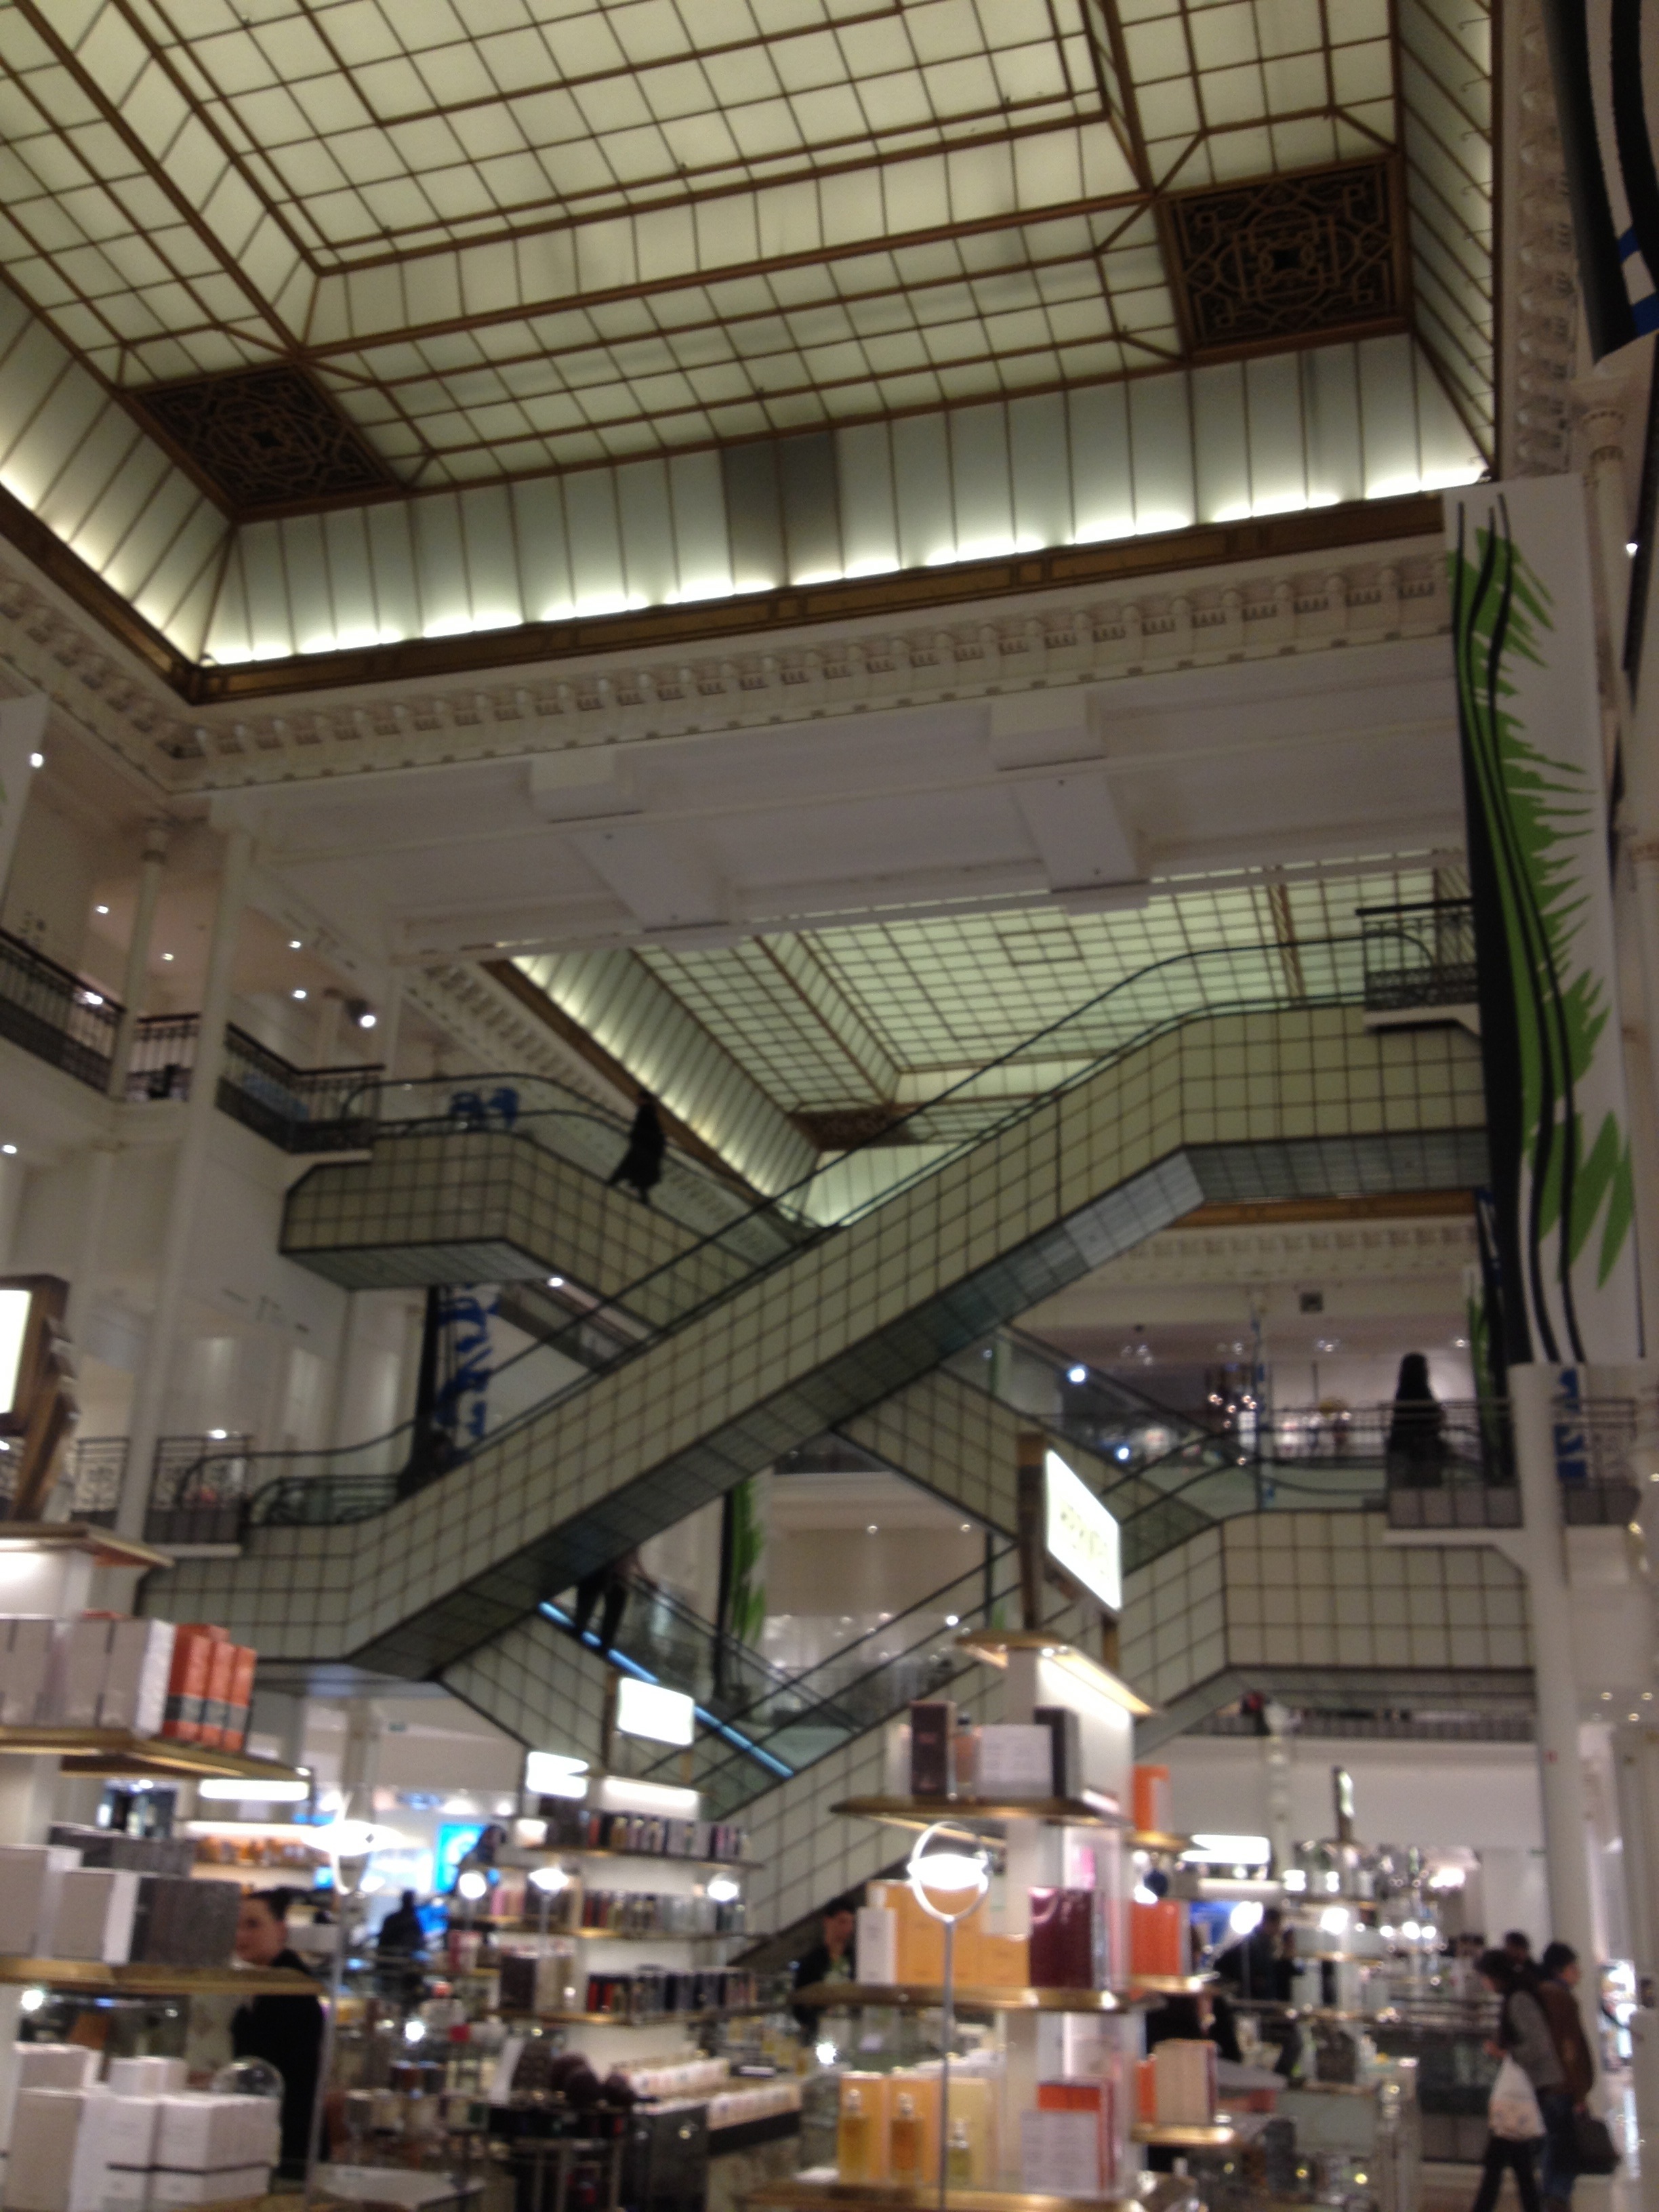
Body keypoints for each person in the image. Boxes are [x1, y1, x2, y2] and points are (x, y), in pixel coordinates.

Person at [230, 1889, 324, 2178]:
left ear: (281, 1930)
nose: (241, 1935)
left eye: (253, 1925)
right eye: (237, 1925)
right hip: (274, 2130)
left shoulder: (290, 1986)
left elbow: (274, 2067)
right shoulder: (269, 1980)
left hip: (290, 2140)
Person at [1471, 1947, 1562, 2212]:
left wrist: (1505, 2053)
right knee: (1516, 2159)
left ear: (1495, 1976)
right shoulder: (1519, 1995)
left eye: (1485, 1977)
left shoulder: (1518, 1999)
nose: (1484, 1983)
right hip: (1529, 2088)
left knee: (1499, 2156)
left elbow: (1539, 2044)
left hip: (1527, 2088)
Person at [1535, 1942, 1596, 2211]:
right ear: (1559, 1970)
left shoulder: (1539, 1994)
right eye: (1573, 1967)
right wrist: (1579, 2092)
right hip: (1562, 2085)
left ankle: (1549, 2193)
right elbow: (1570, 2049)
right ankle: (1557, 2194)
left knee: (1552, 2142)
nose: (1578, 1972)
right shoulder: (1562, 1998)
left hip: (1545, 2083)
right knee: (1565, 2145)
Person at [1214, 1905, 1302, 2078]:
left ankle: (1276, 2078)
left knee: (1291, 2041)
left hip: (1261, 2009)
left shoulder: (1260, 1945)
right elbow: (1224, 1965)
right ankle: (1278, 2078)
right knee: (1292, 2041)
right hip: (1256, 2011)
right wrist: (1246, 1985)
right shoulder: (1253, 1946)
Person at [792, 1894, 858, 2032]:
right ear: (828, 1922)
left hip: (850, 2028)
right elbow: (798, 2003)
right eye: (842, 1922)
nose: (848, 1928)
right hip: (820, 2029)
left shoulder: (855, 1960)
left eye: (851, 1922)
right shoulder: (811, 1962)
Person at [1386, 1352, 1447, 1486]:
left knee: (1404, 1485)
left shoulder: (1402, 1391)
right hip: (1423, 1446)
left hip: (1401, 1444)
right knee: (1426, 1484)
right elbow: (1431, 1416)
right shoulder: (1423, 1391)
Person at [608, 1091, 666, 1205]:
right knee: (638, 1173)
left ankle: (610, 1184)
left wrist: (635, 1138)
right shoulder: (650, 1113)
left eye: (638, 1099)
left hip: (641, 1148)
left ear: (643, 1099)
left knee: (626, 1168)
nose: (637, 1101)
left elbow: (641, 1130)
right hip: (647, 1151)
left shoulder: (645, 1112)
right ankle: (644, 1199)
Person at [375, 1888, 427, 2005]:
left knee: (396, 2000)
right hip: (393, 1969)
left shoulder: (410, 1921)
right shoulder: (408, 1921)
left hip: (401, 1971)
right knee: (392, 2000)